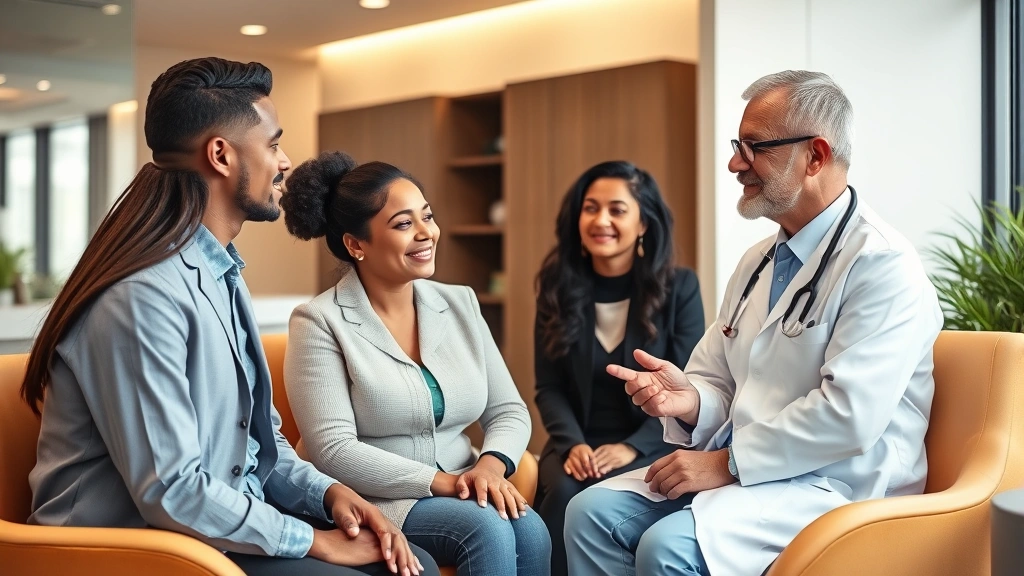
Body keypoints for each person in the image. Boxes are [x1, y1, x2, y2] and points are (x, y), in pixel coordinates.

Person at [22, 57, 435, 576]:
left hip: (209, 535)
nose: (285, 162)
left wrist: (330, 496)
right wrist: (315, 541)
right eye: (273, 144)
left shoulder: (219, 272)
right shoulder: (141, 296)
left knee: (407, 562)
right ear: (221, 155)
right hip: (137, 552)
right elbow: (172, 491)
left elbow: (259, 444)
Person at [563, 70, 943, 576]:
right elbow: (718, 375)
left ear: (817, 155)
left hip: (834, 484)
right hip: (751, 470)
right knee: (589, 514)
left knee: (668, 547)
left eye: (754, 147)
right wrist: (690, 400)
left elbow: (849, 417)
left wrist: (723, 464)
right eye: (736, 145)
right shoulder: (758, 260)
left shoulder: (884, 265)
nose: (734, 163)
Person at [280, 151, 551, 576]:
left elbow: (509, 411)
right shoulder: (319, 322)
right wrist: (448, 484)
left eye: (427, 216)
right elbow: (331, 451)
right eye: (404, 224)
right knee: (487, 529)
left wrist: (489, 467)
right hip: (375, 498)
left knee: (532, 530)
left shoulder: (459, 302)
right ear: (356, 244)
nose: (427, 234)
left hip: (464, 481)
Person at [532, 160, 704, 576]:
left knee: (610, 499)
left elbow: (688, 386)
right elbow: (548, 387)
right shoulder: (557, 285)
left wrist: (632, 447)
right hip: (577, 443)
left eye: (617, 210)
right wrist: (573, 445)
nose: (601, 220)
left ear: (643, 223)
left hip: (653, 442)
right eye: (590, 208)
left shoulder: (680, 288)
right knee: (563, 494)